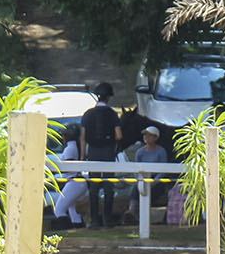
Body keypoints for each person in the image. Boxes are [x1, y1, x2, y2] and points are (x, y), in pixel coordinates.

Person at [80, 83, 122, 228]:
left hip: (93, 152)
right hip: (108, 152)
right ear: (109, 97)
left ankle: (94, 220)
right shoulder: (112, 114)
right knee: (109, 186)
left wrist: (82, 156)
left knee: (94, 187)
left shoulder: (88, 114)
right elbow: (118, 135)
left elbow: (83, 137)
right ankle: (107, 219)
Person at [127, 125, 171, 216]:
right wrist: (139, 180)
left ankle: (143, 214)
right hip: (142, 178)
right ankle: (132, 211)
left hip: (156, 180)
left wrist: (153, 182)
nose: (146, 137)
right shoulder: (140, 152)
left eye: (150, 135)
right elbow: (136, 169)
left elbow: (162, 170)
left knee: (153, 192)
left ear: (156, 138)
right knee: (136, 189)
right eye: (145, 135)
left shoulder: (161, 151)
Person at [52, 124, 87, 228]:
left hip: (74, 182)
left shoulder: (70, 149)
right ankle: (78, 226)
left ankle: (65, 229)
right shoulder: (74, 147)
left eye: (63, 135)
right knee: (72, 211)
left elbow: (69, 167)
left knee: (58, 210)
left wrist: (54, 171)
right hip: (76, 182)